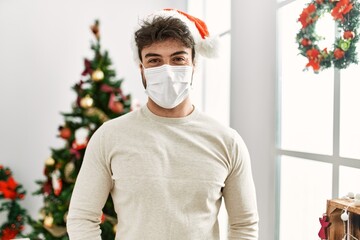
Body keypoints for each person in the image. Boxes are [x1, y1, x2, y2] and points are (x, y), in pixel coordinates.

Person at [67, 8, 259, 240]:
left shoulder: (227, 142)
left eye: (178, 59)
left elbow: (244, 225)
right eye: (154, 61)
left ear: (194, 65)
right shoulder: (109, 137)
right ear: (142, 69)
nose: (167, 72)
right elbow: (82, 218)